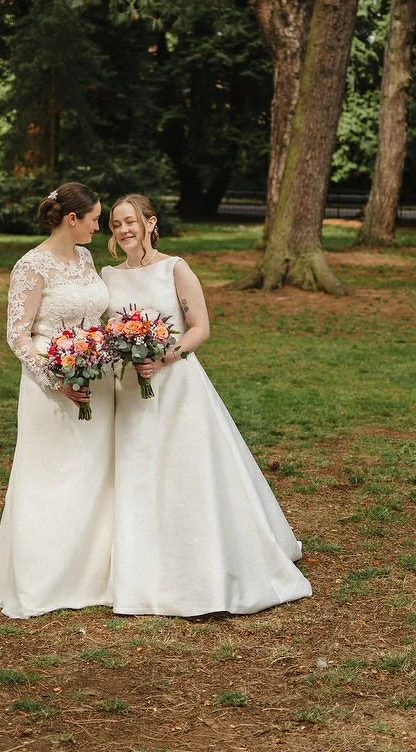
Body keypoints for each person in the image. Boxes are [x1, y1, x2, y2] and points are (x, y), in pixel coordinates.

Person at [101, 193, 311, 616]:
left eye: (130, 221)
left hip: (177, 384)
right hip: (130, 389)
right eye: (115, 224)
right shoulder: (108, 275)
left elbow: (200, 327)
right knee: (138, 472)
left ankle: (207, 562)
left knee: (187, 471)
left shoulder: (175, 268)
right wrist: (125, 353)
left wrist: (165, 355)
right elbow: (106, 328)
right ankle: (142, 568)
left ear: (149, 222)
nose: (123, 230)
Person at [0, 182, 117, 618]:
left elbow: (97, 315)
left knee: (94, 471)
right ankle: (45, 572)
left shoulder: (87, 257)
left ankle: (94, 569)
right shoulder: (30, 266)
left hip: (96, 378)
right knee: (52, 474)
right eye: (94, 218)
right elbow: (18, 334)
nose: (100, 225)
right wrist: (58, 379)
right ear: (71, 220)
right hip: (50, 385)